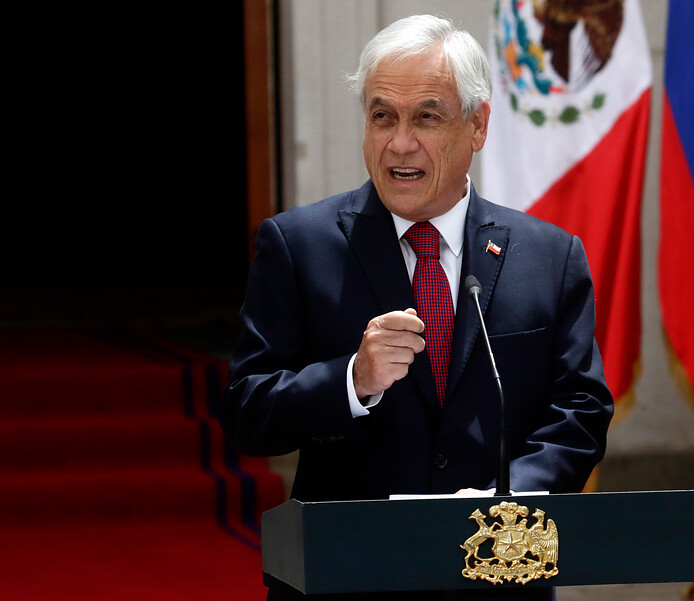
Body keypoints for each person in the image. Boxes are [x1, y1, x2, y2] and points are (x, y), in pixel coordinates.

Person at [220, 14, 614, 601]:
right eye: (383, 116)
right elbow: (248, 412)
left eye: (427, 117)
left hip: (498, 569)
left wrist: (509, 499)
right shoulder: (298, 246)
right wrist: (352, 380)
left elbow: (580, 411)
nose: (400, 143)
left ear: (477, 126)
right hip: (349, 576)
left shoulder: (549, 257)